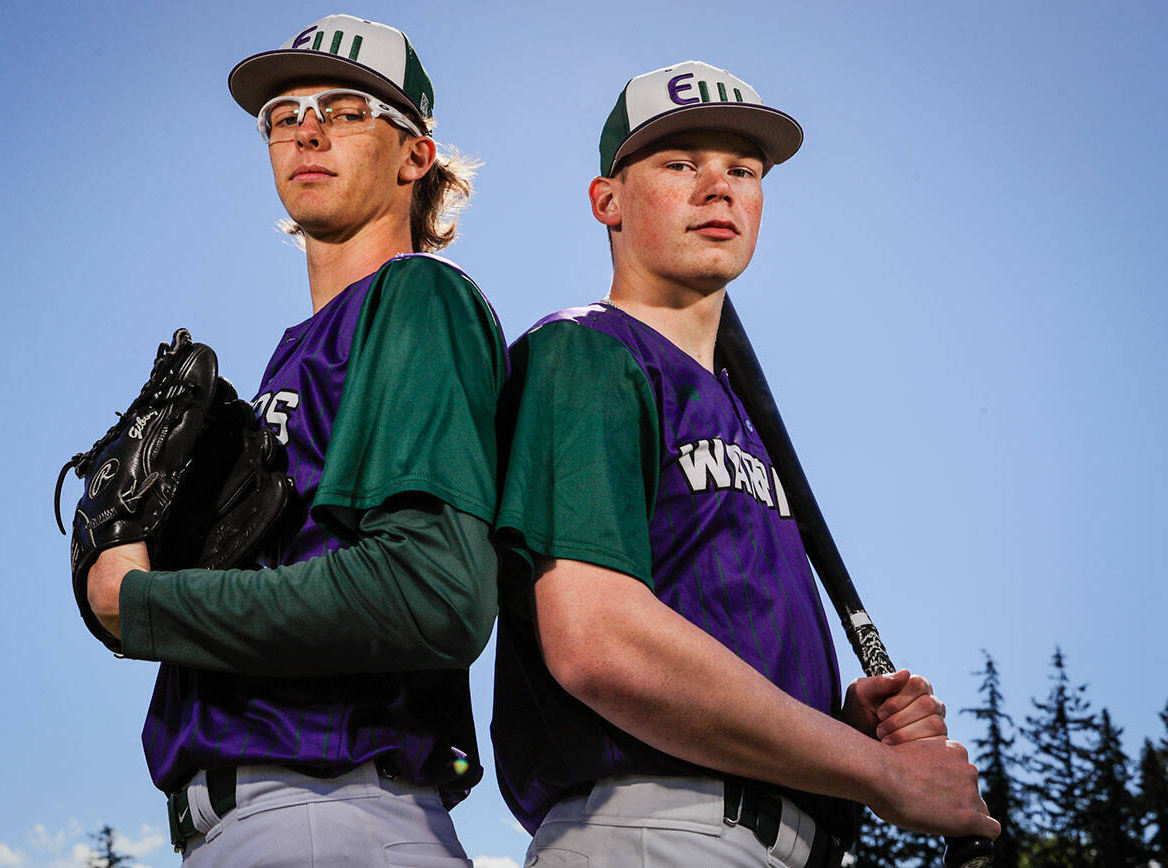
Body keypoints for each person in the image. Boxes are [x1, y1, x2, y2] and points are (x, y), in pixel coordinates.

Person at [490, 61, 1000, 867]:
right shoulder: (587, 351)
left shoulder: (739, 414)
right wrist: (880, 775)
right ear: (606, 201)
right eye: (680, 164)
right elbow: (599, 642)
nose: (718, 189)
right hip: (652, 830)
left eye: (742, 170)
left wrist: (836, 729)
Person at [82, 14, 506, 866]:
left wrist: (142, 602)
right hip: (273, 818)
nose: (306, 129)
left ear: (415, 156)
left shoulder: (415, 296)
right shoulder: (297, 350)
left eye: (347, 110)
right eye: (283, 114)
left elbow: (430, 594)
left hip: (328, 805)